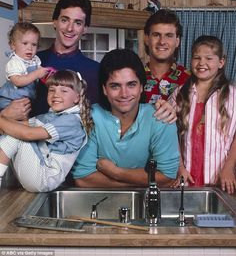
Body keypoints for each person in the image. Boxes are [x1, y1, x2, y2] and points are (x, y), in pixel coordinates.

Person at [72, 49, 180, 187]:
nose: (124, 94)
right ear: (104, 89)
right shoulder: (89, 116)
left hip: (146, 205)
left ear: (141, 87)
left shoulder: (161, 117)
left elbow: (166, 177)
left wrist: (116, 172)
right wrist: (141, 183)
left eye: (131, 85)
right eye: (115, 86)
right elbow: (83, 179)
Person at [0, 70, 93, 192]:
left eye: (64, 91)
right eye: (52, 90)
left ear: (77, 97)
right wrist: (4, 117)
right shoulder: (50, 116)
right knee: (13, 132)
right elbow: (16, 126)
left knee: (17, 135)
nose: (56, 94)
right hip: (36, 173)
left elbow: (28, 133)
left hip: (45, 178)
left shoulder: (71, 121)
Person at [169, 35, 236, 194]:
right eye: (196, 58)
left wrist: (228, 168)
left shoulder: (232, 96)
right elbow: (168, 134)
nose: (201, 63)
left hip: (220, 180)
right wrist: (179, 168)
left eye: (209, 58)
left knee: (217, 219)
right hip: (186, 178)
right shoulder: (179, 94)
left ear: (221, 62)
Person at [32, 0, 100, 116]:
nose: (70, 28)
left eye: (78, 23)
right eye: (65, 20)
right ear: (55, 22)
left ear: (85, 28)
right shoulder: (33, 61)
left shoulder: (96, 71)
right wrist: (8, 111)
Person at [143, 8, 190, 104]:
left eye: (168, 35)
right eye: (156, 35)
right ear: (147, 39)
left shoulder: (190, 79)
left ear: (177, 41)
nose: (162, 41)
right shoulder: (134, 77)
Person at [0, 22, 48, 110]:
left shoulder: (35, 60)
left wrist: (47, 74)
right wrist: (36, 74)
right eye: (25, 43)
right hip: (9, 99)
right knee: (10, 119)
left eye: (34, 44)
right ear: (13, 45)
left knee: (24, 117)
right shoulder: (14, 62)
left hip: (26, 98)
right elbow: (17, 81)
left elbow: (41, 72)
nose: (30, 48)